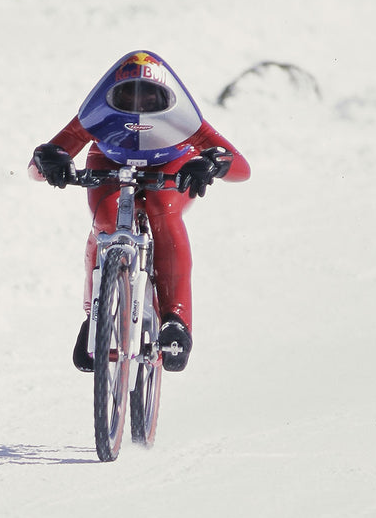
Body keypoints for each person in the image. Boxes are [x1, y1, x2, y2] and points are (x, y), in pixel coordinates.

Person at [28, 50, 250, 373]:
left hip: (173, 162)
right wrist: (51, 160)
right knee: (106, 217)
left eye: (149, 100)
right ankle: (94, 319)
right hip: (109, 161)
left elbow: (240, 166)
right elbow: (42, 160)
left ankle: (176, 321)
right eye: (129, 100)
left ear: (167, 99)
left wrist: (214, 163)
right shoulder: (97, 113)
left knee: (163, 208)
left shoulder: (184, 117)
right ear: (111, 99)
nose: (139, 108)